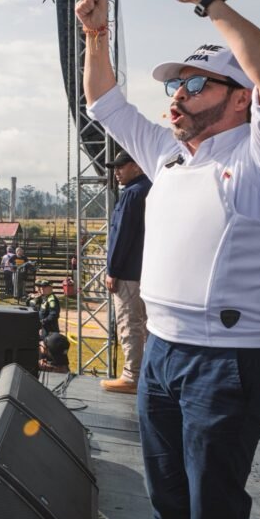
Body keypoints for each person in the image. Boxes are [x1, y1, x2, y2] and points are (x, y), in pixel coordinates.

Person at [76, 0, 260, 519]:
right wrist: (95, 36)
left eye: (197, 83)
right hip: (162, 354)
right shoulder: (167, 153)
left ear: (239, 99)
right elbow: (104, 101)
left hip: (226, 362)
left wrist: (208, 0)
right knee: (170, 502)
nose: (178, 95)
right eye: (175, 84)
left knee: (215, 514)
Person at [102, 149, 152, 395]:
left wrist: (113, 270)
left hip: (129, 273)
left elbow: (121, 235)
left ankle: (132, 375)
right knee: (147, 325)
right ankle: (146, 374)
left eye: (122, 167)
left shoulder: (133, 193)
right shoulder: (150, 188)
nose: (116, 172)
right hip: (146, 269)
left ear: (137, 166)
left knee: (129, 323)